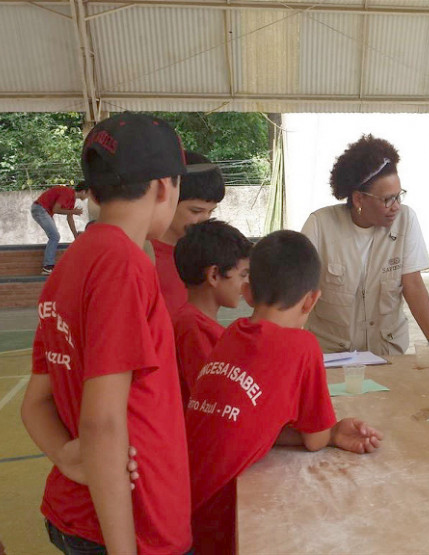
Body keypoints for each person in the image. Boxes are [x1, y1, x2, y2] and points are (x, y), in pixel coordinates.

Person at [20, 113, 192, 553]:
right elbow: (101, 422)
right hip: (129, 525)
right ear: (163, 186)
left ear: (93, 191)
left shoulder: (72, 263)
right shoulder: (124, 265)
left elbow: (35, 404)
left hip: (78, 513)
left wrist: (64, 455)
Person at [185, 230, 383, 555]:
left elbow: (251, 423)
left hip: (183, 504)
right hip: (218, 518)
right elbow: (314, 440)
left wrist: (331, 433)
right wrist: (327, 433)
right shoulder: (302, 346)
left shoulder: (232, 333)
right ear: (312, 300)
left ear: (247, 293)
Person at [301, 134, 429, 355]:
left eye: (398, 196)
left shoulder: (406, 220)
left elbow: (413, 284)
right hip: (331, 356)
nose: (396, 206)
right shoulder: (320, 225)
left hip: (386, 353)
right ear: (359, 199)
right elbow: (297, 291)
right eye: (387, 199)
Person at [173, 219, 252, 404]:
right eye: (242, 275)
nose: (246, 283)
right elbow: (213, 397)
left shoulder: (193, 321)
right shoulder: (193, 327)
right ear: (214, 275)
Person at [151, 152, 225, 316]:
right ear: (167, 199)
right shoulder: (146, 256)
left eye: (211, 211)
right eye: (196, 211)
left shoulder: (208, 253)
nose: (204, 220)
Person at [30, 182, 88, 274]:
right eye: (88, 194)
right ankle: (48, 266)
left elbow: (70, 218)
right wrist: (73, 211)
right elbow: (56, 209)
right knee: (55, 236)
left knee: (54, 236)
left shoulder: (72, 199)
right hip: (40, 209)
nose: (88, 197)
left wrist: (75, 236)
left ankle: (48, 266)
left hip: (44, 211)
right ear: (84, 191)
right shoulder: (67, 193)